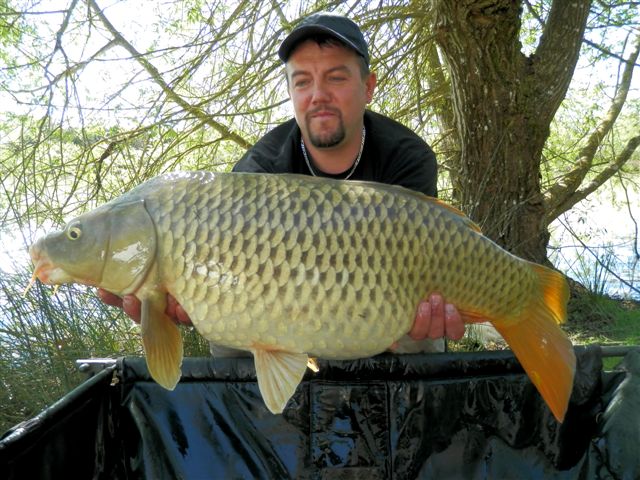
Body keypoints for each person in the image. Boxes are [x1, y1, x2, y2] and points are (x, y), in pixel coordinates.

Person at [98, 12, 467, 350]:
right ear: (291, 91)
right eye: (303, 82)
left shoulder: (407, 157)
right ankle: (268, 421)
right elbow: (225, 278)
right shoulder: (259, 169)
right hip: (283, 312)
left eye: (336, 78)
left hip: (377, 312)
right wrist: (190, 299)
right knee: (228, 340)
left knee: (424, 336)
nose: (318, 95)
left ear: (368, 87)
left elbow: (427, 260)